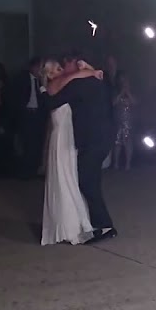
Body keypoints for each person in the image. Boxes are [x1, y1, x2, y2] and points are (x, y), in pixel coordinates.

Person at [48, 53, 117, 243]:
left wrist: (72, 76)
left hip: (93, 139)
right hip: (103, 136)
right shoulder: (97, 79)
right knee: (90, 179)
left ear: (74, 62)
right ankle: (100, 223)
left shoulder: (79, 83)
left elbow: (51, 101)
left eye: (65, 64)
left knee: (86, 180)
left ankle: (104, 225)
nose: (63, 69)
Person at [39, 59, 104, 245]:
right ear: (50, 74)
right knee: (66, 178)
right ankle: (71, 225)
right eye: (57, 69)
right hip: (62, 138)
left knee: (67, 178)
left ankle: (68, 223)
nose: (62, 70)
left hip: (64, 135)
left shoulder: (56, 85)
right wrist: (91, 70)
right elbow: (76, 75)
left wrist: (90, 70)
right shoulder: (57, 84)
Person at [111, 72, 136, 171]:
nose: (123, 82)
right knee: (117, 142)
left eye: (125, 80)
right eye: (122, 80)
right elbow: (113, 103)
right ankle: (116, 164)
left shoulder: (132, 91)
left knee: (128, 142)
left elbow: (135, 102)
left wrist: (128, 92)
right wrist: (121, 92)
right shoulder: (116, 91)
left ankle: (128, 164)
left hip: (128, 121)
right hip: (118, 120)